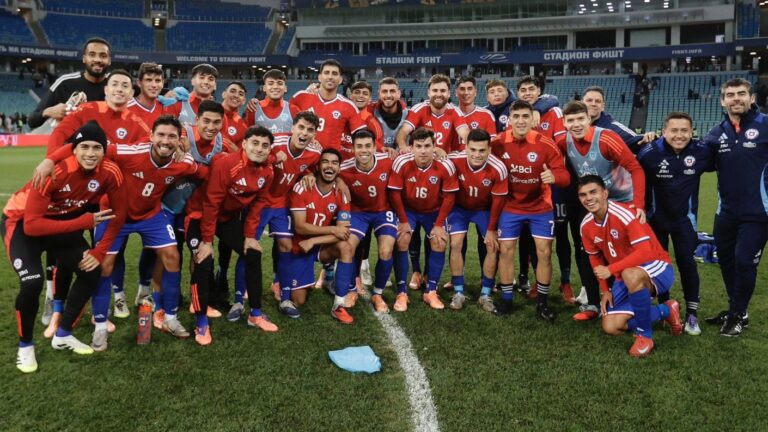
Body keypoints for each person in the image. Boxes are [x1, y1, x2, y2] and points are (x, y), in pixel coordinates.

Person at [38, 115, 202, 348]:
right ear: (151, 136)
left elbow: (202, 172)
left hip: (150, 215)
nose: (166, 141)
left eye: (172, 136)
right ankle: (101, 325)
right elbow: (90, 147)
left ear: (179, 140)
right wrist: (50, 161)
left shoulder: (183, 161)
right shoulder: (130, 152)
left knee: (172, 257)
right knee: (104, 264)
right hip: (114, 213)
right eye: (161, 135)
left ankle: (171, 317)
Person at [2, 121, 126, 372]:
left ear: (105, 151)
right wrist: (84, 221)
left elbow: (119, 215)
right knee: (32, 282)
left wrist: (99, 251)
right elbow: (33, 227)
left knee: (91, 268)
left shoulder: (111, 171)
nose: (90, 153)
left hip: (61, 222)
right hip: (22, 222)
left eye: (96, 148)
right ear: (74, 149)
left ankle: (63, 334)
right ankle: (25, 346)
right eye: (84, 147)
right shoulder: (55, 171)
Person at [185, 126, 277, 345]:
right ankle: (201, 321)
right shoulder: (227, 164)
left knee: (252, 253)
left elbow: (258, 205)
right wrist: (207, 241)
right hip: (200, 216)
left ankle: (255, 314)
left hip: (226, 219)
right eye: (255, 143)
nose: (260, 149)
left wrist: (249, 236)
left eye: (265, 145)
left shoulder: (268, 172)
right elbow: (211, 202)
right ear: (244, 144)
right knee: (203, 259)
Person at [557, 101, 646, 321]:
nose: (576, 124)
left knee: (625, 252)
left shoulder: (606, 138)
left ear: (589, 119)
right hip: (591, 203)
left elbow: (635, 168)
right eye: (571, 120)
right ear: (564, 123)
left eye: (580, 119)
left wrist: (638, 204)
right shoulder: (563, 141)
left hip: (619, 201)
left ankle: (632, 301)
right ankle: (594, 303)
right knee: (586, 250)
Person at [229, 111, 322, 321]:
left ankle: (285, 296)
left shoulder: (314, 153)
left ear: (315, 134)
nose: (304, 133)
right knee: (248, 249)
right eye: (301, 127)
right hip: (258, 203)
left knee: (286, 247)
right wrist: (271, 157)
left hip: (282, 204)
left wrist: (308, 174)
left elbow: (313, 168)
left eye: (310, 130)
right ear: (293, 127)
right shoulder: (276, 143)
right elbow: (253, 157)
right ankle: (238, 300)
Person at [577, 175, 682, 357]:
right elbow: (595, 259)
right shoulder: (586, 226)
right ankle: (666, 310)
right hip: (624, 275)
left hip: (657, 266)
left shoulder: (624, 214)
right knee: (611, 326)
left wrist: (610, 269)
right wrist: (606, 291)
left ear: (605, 193)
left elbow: (645, 252)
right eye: (583, 195)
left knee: (629, 274)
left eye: (593, 192)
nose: (588, 198)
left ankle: (645, 337)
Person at [701, 78, 768, 336]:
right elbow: (697, 159)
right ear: (723, 100)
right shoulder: (717, 132)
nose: (736, 98)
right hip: (725, 213)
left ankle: (737, 314)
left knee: (744, 261)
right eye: (730, 94)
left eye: (741, 93)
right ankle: (736, 310)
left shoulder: (765, 125)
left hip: (758, 213)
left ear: (751, 98)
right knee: (727, 262)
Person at [492, 101, 570, 321]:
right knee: (506, 250)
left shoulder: (545, 143)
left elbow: (565, 176)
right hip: (510, 206)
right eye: (515, 116)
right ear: (509, 119)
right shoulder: (497, 143)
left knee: (544, 252)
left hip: (540, 206)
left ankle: (542, 303)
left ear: (532, 118)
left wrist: (554, 177)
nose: (520, 121)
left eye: (525, 116)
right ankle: (507, 299)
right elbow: (474, 153)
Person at [637, 112, 712, 335]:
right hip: (655, 221)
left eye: (684, 130)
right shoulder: (648, 153)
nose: (679, 135)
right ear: (663, 132)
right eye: (674, 130)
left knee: (687, 263)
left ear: (692, 132)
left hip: (684, 221)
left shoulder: (702, 151)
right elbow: (632, 175)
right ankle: (666, 307)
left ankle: (691, 314)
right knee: (659, 266)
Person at [280, 148, 354, 323]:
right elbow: (300, 227)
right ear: (318, 166)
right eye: (325, 162)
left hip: (317, 245)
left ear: (339, 168)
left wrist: (314, 240)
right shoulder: (303, 187)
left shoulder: (341, 193)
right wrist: (331, 230)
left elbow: (342, 232)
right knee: (298, 301)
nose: (330, 166)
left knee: (346, 247)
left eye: (335, 163)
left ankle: (339, 305)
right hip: (300, 247)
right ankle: (284, 279)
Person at [389, 127, 458, 311]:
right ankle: (402, 292)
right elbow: (394, 194)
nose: (423, 150)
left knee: (439, 241)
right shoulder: (401, 162)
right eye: (418, 146)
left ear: (434, 146)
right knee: (402, 239)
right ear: (411, 147)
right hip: (408, 210)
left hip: (433, 211)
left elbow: (450, 197)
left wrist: (438, 224)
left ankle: (431, 291)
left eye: (428, 146)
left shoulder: (445, 165)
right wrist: (403, 221)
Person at [446, 129, 507, 312]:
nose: (477, 155)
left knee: (492, 245)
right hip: (459, 208)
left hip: (484, 209)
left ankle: (486, 293)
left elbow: (498, 202)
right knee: (456, 243)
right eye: (472, 149)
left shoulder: (498, 168)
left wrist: (491, 229)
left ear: (489, 149)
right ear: (466, 147)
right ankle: (458, 291)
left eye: (481, 150)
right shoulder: (454, 160)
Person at [337, 129, 397, 312]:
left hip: (383, 211)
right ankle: (352, 289)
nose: (364, 150)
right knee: (347, 246)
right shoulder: (344, 169)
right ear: (353, 148)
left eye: (368, 146)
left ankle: (377, 294)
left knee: (386, 250)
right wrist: (338, 181)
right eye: (359, 146)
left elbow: (409, 158)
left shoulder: (388, 161)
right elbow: (328, 173)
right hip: (358, 213)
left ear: (374, 146)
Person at [28, 37, 112, 129]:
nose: (97, 59)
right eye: (92, 55)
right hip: (72, 143)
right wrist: (49, 111)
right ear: (84, 58)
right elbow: (32, 121)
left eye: (103, 56)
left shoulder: (118, 85)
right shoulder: (65, 82)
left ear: (109, 60)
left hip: (108, 142)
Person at [290, 59, 365, 156]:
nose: (330, 77)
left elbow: (361, 136)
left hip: (329, 162)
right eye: (326, 73)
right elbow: (287, 119)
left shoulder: (349, 106)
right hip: (302, 158)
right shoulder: (300, 97)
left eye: (334, 74)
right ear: (320, 77)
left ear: (340, 79)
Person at [396, 74, 468, 156]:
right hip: (420, 158)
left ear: (449, 93)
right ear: (429, 93)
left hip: (445, 159)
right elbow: (403, 132)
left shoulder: (455, 111)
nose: (438, 94)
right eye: (435, 90)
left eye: (443, 91)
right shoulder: (419, 109)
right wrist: (403, 147)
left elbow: (465, 133)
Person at [246, 69, 300, 147]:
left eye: (280, 83)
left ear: (285, 88)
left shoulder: (294, 110)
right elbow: (248, 137)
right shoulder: (253, 108)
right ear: (264, 88)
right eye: (270, 83)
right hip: (261, 158)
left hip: (285, 158)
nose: (275, 87)